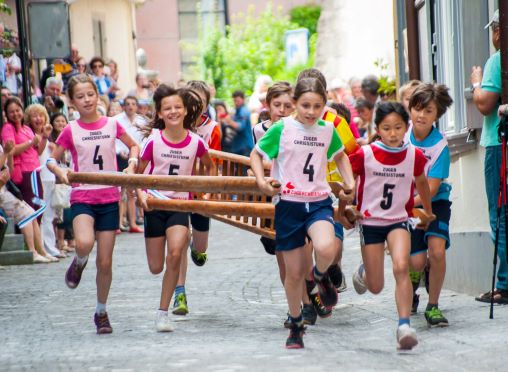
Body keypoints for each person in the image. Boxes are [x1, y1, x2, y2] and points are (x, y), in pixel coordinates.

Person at [250, 78, 355, 349]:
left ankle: (320, 276)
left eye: (317, 106)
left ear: (324, 106)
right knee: (293, 274)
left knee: (326, 246)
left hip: (318, 201)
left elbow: (341, 156)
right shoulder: (282, 128)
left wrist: (350, 183)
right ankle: (296, 324)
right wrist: (262, 182)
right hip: (289, 204)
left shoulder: (328, 129)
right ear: (295, 103)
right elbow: (256, 154)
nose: (310, 111)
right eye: (305, 105)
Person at [47, 74, 139, 334]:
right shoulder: (70, 129)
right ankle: (78, 260)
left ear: (97, 96)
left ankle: (101, 312)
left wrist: (131, 163)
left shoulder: (112, 124)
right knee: (85, 243)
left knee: (105, 262)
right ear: (72, 102)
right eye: (80, 96)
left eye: (90, 94)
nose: (86, 100)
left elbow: (134, 147)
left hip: (109, 198)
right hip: (83, 197)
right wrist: (60, 171)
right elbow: (51, 160)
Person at [349, 102, 434, 350]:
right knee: (376, 287)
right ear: (378, 129)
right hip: (371, 222)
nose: (393, 133)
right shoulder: (364, 154)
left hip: (399, 219)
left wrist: (427, 211)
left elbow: (421, 182)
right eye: (387, 128)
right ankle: (365, 271)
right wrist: (347, 202)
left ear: (406, 127)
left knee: (401, 266)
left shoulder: (413, 155)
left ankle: (404, 326)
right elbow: (347, 176)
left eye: (398, 127)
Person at [135, 84, 215, 332]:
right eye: (167, 108)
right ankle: (164, 302)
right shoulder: (153, 141)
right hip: (155, 205)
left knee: (176, 253)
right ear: (159, 113)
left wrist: (206, 195)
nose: (173, 112)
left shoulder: (196, 142)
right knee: (156, 266)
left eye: (177, 107)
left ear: (185, 110)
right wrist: (141, 196)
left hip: (180, 206)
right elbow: (138, 175)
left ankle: (163, 313)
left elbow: (210, 167)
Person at [172, 80, 221, 316]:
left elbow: (216, 163)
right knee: (177, 243)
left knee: (200, 250)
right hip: (178, 192)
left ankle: (197, 247)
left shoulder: (213, 129)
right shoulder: (173, 125)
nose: (193, 107)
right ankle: (179, 293)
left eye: (199, 103)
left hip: (201, 192)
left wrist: (210, 190)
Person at [406, 83, 453, 326]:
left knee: (436, 251)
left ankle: (433, 305)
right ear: (410, 109)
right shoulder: (401, 136)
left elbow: (431, 189)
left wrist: (405, 203)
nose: (421, 115)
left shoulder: (440, 146)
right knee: (415, 260)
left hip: (436, 203)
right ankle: (414, 278)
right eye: (417, 109)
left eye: (428, 111)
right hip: (408, 206)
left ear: (437, 115)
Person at [471, 9, 508, 304]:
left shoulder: (499, 59)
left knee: (500, 214)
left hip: (499, 144)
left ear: (498, 29)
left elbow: (484, 103)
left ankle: (505, 284)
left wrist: (476, 82)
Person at [0, 141, 53, 263]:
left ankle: (41, 251)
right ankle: (32, 251)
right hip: (1, 190)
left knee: (32, 213)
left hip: (5, 186)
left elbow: (10, 170)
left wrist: (9, 155)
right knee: (26, 215)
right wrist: (7, 153)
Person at [25, 104, 65, 259]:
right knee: (42, 212)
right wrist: (45, 138)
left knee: (50, 214)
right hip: (38, 176)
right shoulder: (32, 134)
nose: (38, 118)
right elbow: (38, 152)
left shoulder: (46, 133)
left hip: (49, 176)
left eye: (41, 115)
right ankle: (43, 247)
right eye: (34, 115)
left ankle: (50, 246)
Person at [114, 96, 147, 234]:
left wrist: (139, 152)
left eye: (133, 104)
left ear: (137, 106)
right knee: (118, 192)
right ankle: (117, 223)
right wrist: (119, 150)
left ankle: (133, 223)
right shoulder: (116, 120)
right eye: (127, 104)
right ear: (123, 106)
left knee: (131, 191)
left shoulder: (141, 121)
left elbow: (144, 139)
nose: (130, 106)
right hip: (120, 157)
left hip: (135, 157)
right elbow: (113, 140)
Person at [222, 90, 253, 156]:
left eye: (238, 101)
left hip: (245, 147)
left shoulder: (244, 111)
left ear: (243, 99)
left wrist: (229, 121)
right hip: (237, 146)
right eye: (234, 101)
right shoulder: (236, 111)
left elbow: (240, 127)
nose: (236, 103)